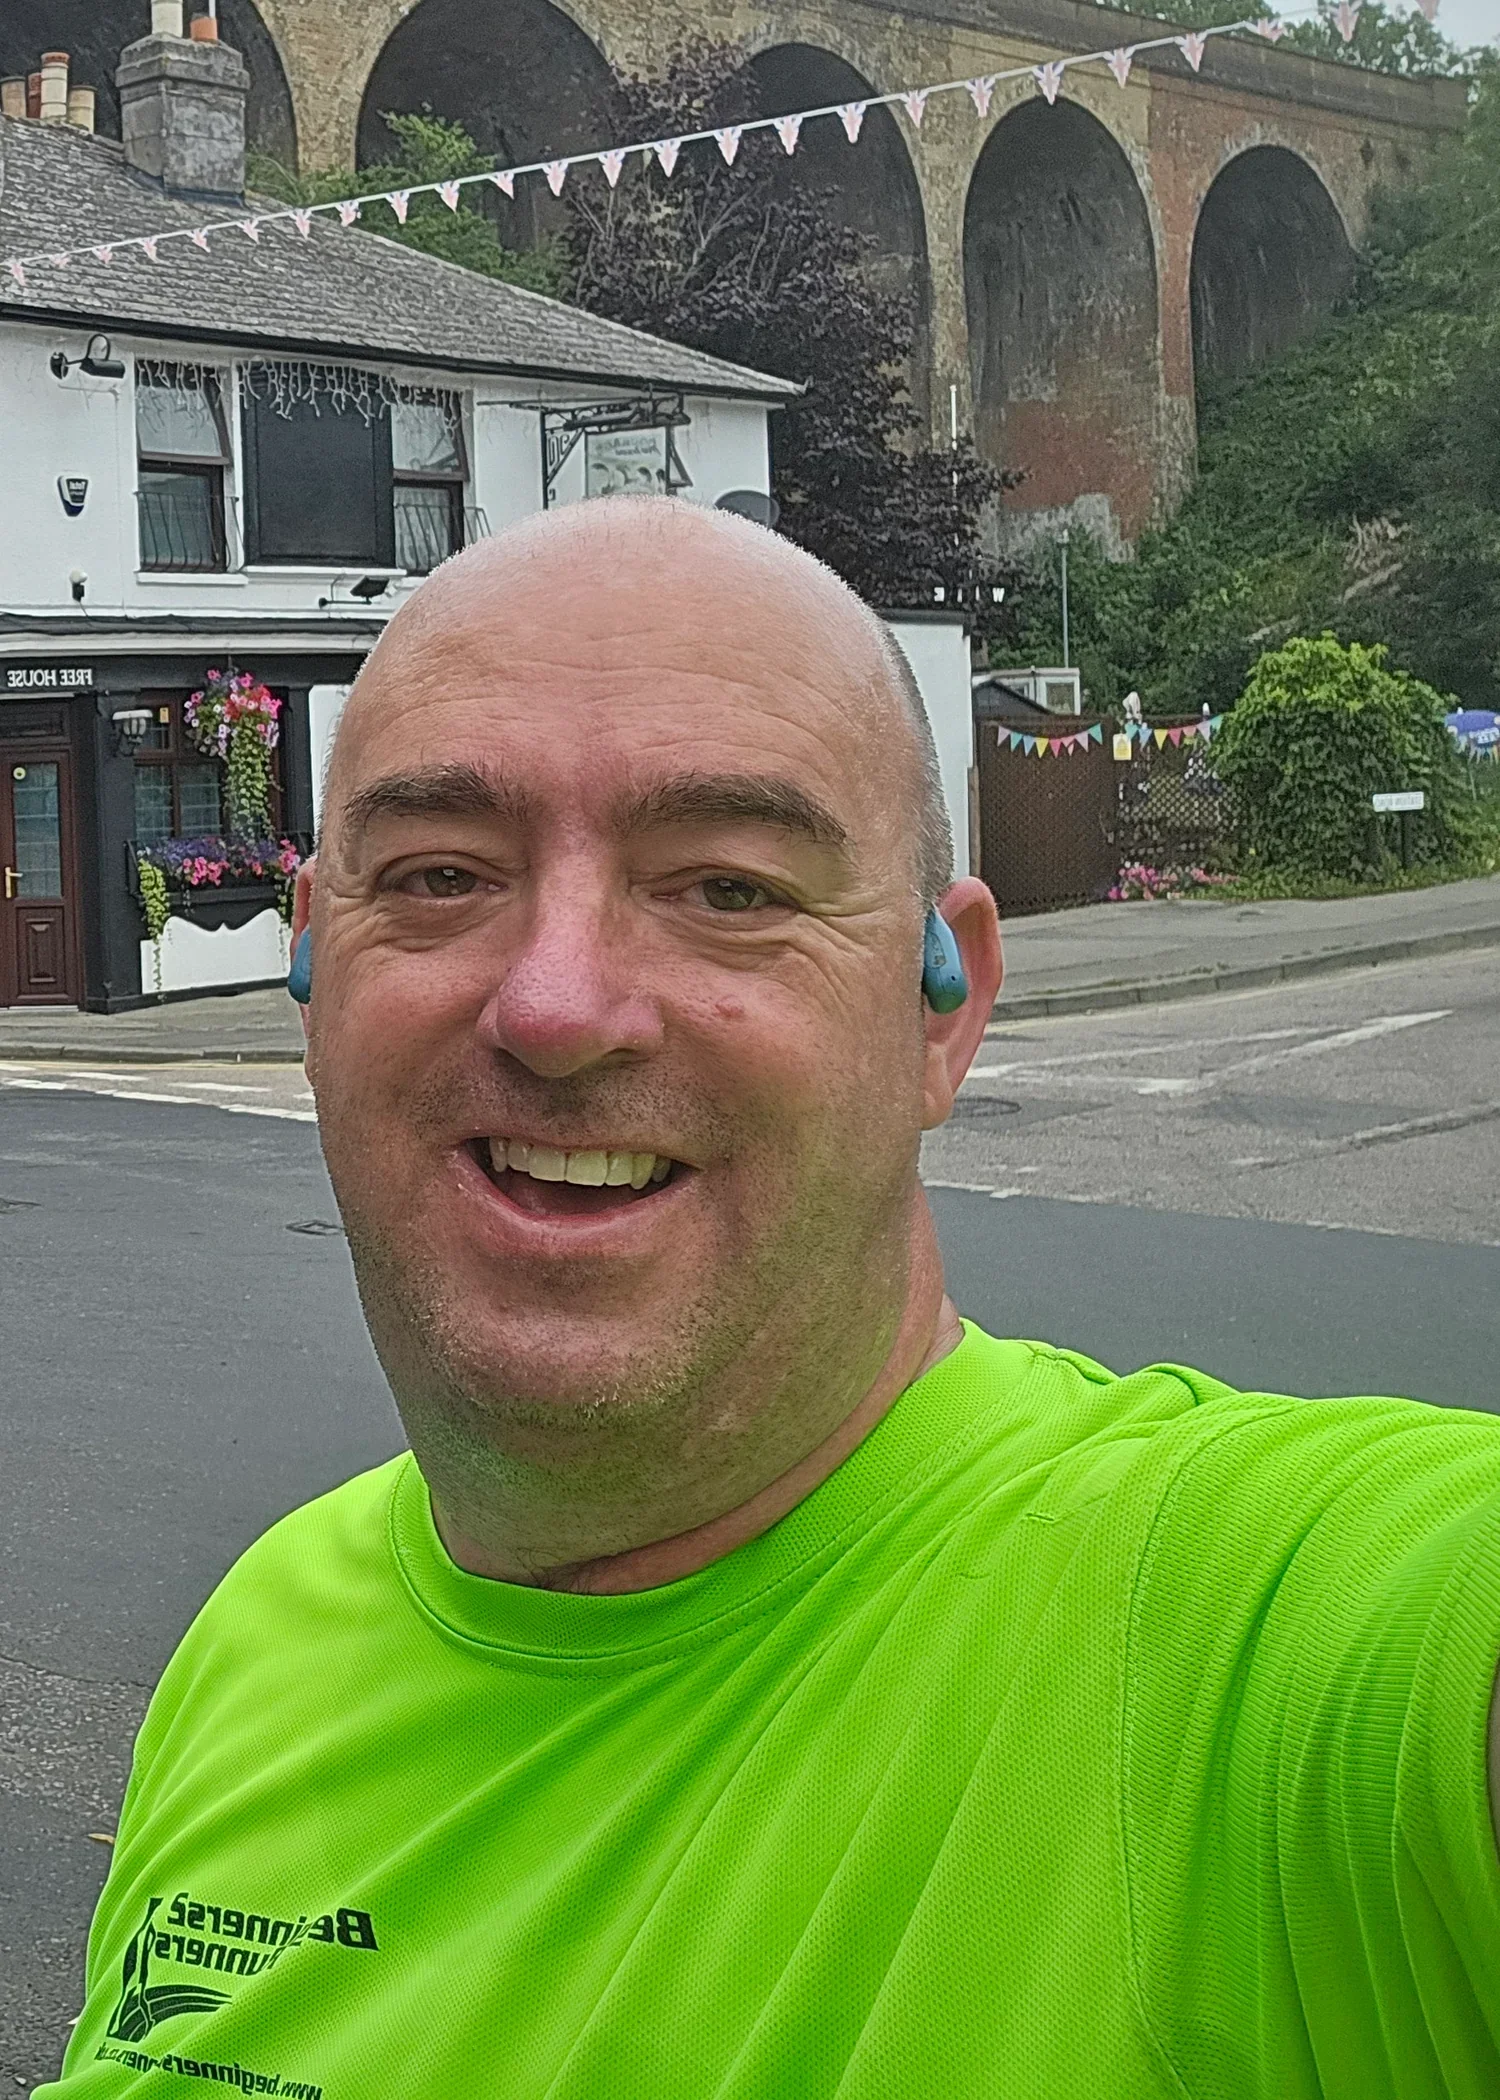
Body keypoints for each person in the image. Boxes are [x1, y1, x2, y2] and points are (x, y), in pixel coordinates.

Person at [43, 500, 1500, 2099]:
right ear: (317, 966)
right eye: (442, 873)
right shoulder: (254, 1641)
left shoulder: (1252, 1645)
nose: (556, 1007)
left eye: (730, 889)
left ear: (942, 1010)